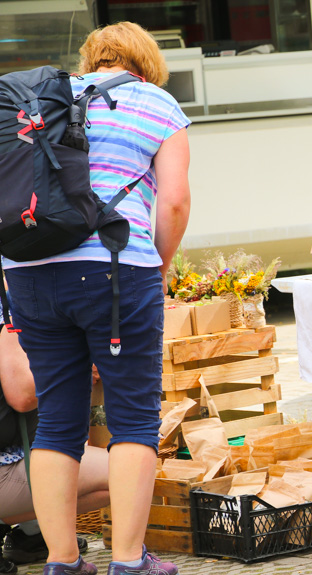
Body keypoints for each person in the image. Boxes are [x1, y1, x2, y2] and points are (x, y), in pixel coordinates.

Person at [3, 22, 191, 575]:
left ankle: (63, 562)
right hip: (115, 271)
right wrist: (160, 265)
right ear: (146, 61)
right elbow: (174, 202)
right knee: (133, 419)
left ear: (92, 58)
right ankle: (129, 562)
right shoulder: (158, 104)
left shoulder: (44, 100)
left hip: (30, 271)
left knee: (58, 421)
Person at [0, 325, 108, 575]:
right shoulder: (8, 317)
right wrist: (78, 367)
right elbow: (23, 395)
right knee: (125, 474)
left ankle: (33, 534)